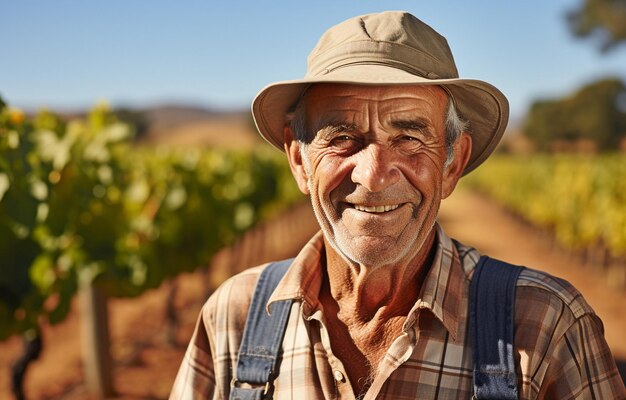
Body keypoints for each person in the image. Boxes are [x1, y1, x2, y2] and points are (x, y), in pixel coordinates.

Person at [170, 11, 626, 399]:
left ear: (452, 164)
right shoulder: (234, 314)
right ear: (299, 162)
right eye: (342, 139)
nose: (373, 174)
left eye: (408, 138)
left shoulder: (546, 322)